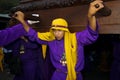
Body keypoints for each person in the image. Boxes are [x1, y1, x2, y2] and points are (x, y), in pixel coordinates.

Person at [12, 0, 104, 80]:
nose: (56, 33)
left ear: (65, 30)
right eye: (54, 30)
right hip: (58, 75)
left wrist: (90, 16)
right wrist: (22, 21)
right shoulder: (50, 40)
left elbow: (91, 33)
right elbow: (33, 35)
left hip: (76, 76)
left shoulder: (76, 38)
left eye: (59, 30)